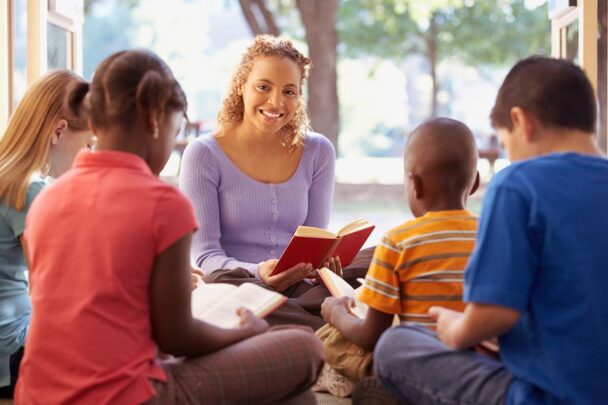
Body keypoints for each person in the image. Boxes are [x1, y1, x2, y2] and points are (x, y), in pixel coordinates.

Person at [16, 49, 322, 404]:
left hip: (37, 393)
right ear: (156, 123)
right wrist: (242, 331)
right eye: (176, 131)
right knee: (304, 348)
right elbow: (176, 337)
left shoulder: (47, 200)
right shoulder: (163, 203)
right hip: (129, 395)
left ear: (94, 123)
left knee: (296, 397)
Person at [374, 56, 608, 405]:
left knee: (396, 344)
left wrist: (456, 330)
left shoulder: (517, 184)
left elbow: (496, 313)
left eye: (505, 142)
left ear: (521, 121)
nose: (510, 156)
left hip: (545, 396)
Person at [180, 35, 362, 329]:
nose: (276, 102)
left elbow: (315, 239)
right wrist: (259, 272)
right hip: (239, 285)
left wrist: (326, 267)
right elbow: (206, 257)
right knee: (222, 287)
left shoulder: (318, 152)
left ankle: (310, 318)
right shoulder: (203, 155)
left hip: (301, 287)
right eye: (263, 87)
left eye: (289, 91)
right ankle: (330, 321)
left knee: (379, 258)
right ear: (241, 87)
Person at [315, 118, 480, 397]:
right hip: (477, 364)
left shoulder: (398, 241)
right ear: (474, 183)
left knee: (328, 338)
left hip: (415, 365)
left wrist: (337, 313)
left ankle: (350, 378)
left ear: (414, 184)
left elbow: (372, 336)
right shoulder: (491, 236)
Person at [0, 70, 94, 397]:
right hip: (11, 354)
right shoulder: (31, 189)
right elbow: (57, 292)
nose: (90, 157)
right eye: (88, 144)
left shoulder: (9, 175)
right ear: (59, 130)